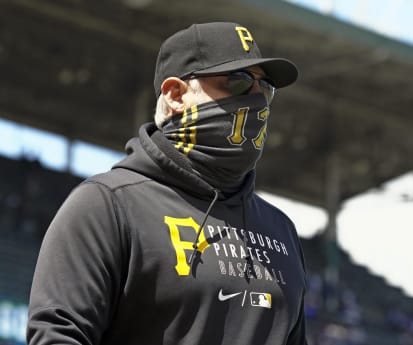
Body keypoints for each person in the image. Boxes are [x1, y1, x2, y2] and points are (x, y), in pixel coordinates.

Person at [27, 22, 308, 345]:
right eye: (239, 82)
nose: (258, 99)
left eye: (266, 87)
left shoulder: (281, 231)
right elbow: (58, 337)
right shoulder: (108, 205)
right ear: (176, 95)